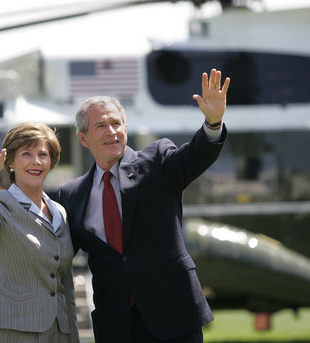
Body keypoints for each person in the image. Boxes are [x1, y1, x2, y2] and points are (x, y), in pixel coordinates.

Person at [57, 68, 230, 343]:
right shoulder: (71, 194)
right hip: (116, 324)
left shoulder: (157, 161)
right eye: (101, 126)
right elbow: (57, 253)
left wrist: (212, 122)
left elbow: (197, 156)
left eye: (117, 123)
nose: (111, 131)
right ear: (83, 138)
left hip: (173, 314)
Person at [0, 123, 79, 343]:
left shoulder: (59, 212)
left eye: (42, 154)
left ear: (51, 161)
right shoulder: (0, 204)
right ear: (11, 162)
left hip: (60, 332)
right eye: (27, 154)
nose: (36, 161)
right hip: (14, 330)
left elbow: (65, 284)